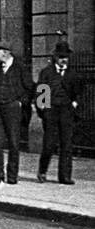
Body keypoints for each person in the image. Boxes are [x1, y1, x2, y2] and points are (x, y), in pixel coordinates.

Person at [0, 43, 33, 185]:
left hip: (12, 108)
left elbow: (30, 87)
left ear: (6, 52)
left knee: (13, 142)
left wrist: (21, 102)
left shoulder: (20, 68)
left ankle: (12, 175)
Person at [36, 40, 79, 185]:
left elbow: (77, 92)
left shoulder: (72, 74)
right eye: (61, 56)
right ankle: (42, 171)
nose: (63, 59)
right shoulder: (46, 73)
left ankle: (65, 176)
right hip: (51, 111)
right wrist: (44, 112)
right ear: (55, 57)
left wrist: (74, 103)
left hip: (66, 111)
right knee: (49, 144)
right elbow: (41, 96)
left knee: (66, 145)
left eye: (65, 56)